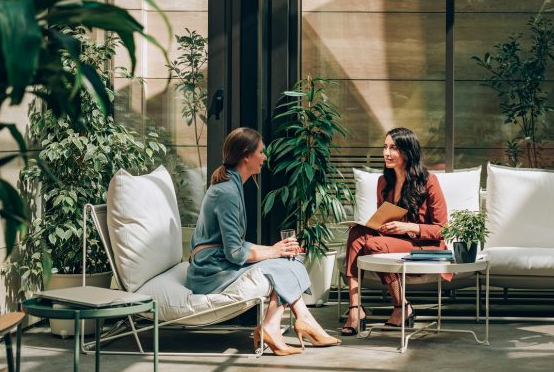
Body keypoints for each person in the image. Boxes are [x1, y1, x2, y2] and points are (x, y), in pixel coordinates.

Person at [186, 127, 340, 355]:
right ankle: (277, 325)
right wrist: (274, 251)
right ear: (246, 155)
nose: (265, 157)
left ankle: (298, 320)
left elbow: (235, 245)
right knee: (285, 263)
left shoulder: (233, 185)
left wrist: (278, 249)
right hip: (209, 271)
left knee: (291, 259)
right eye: (261, 151)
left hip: (216, 262)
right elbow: (235, 254)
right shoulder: (227, 192)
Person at [342, 127, 448, 335]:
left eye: (393, 148)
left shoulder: (429, 181)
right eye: (385, 147)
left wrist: (408, 226)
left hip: (424, 246)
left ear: (407, 153)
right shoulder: (384, 182)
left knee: (374, 244)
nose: (386, 153)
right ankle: (355, 309)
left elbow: (441, 229)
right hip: (394, 241)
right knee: (356, 234)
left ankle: (401, 307)